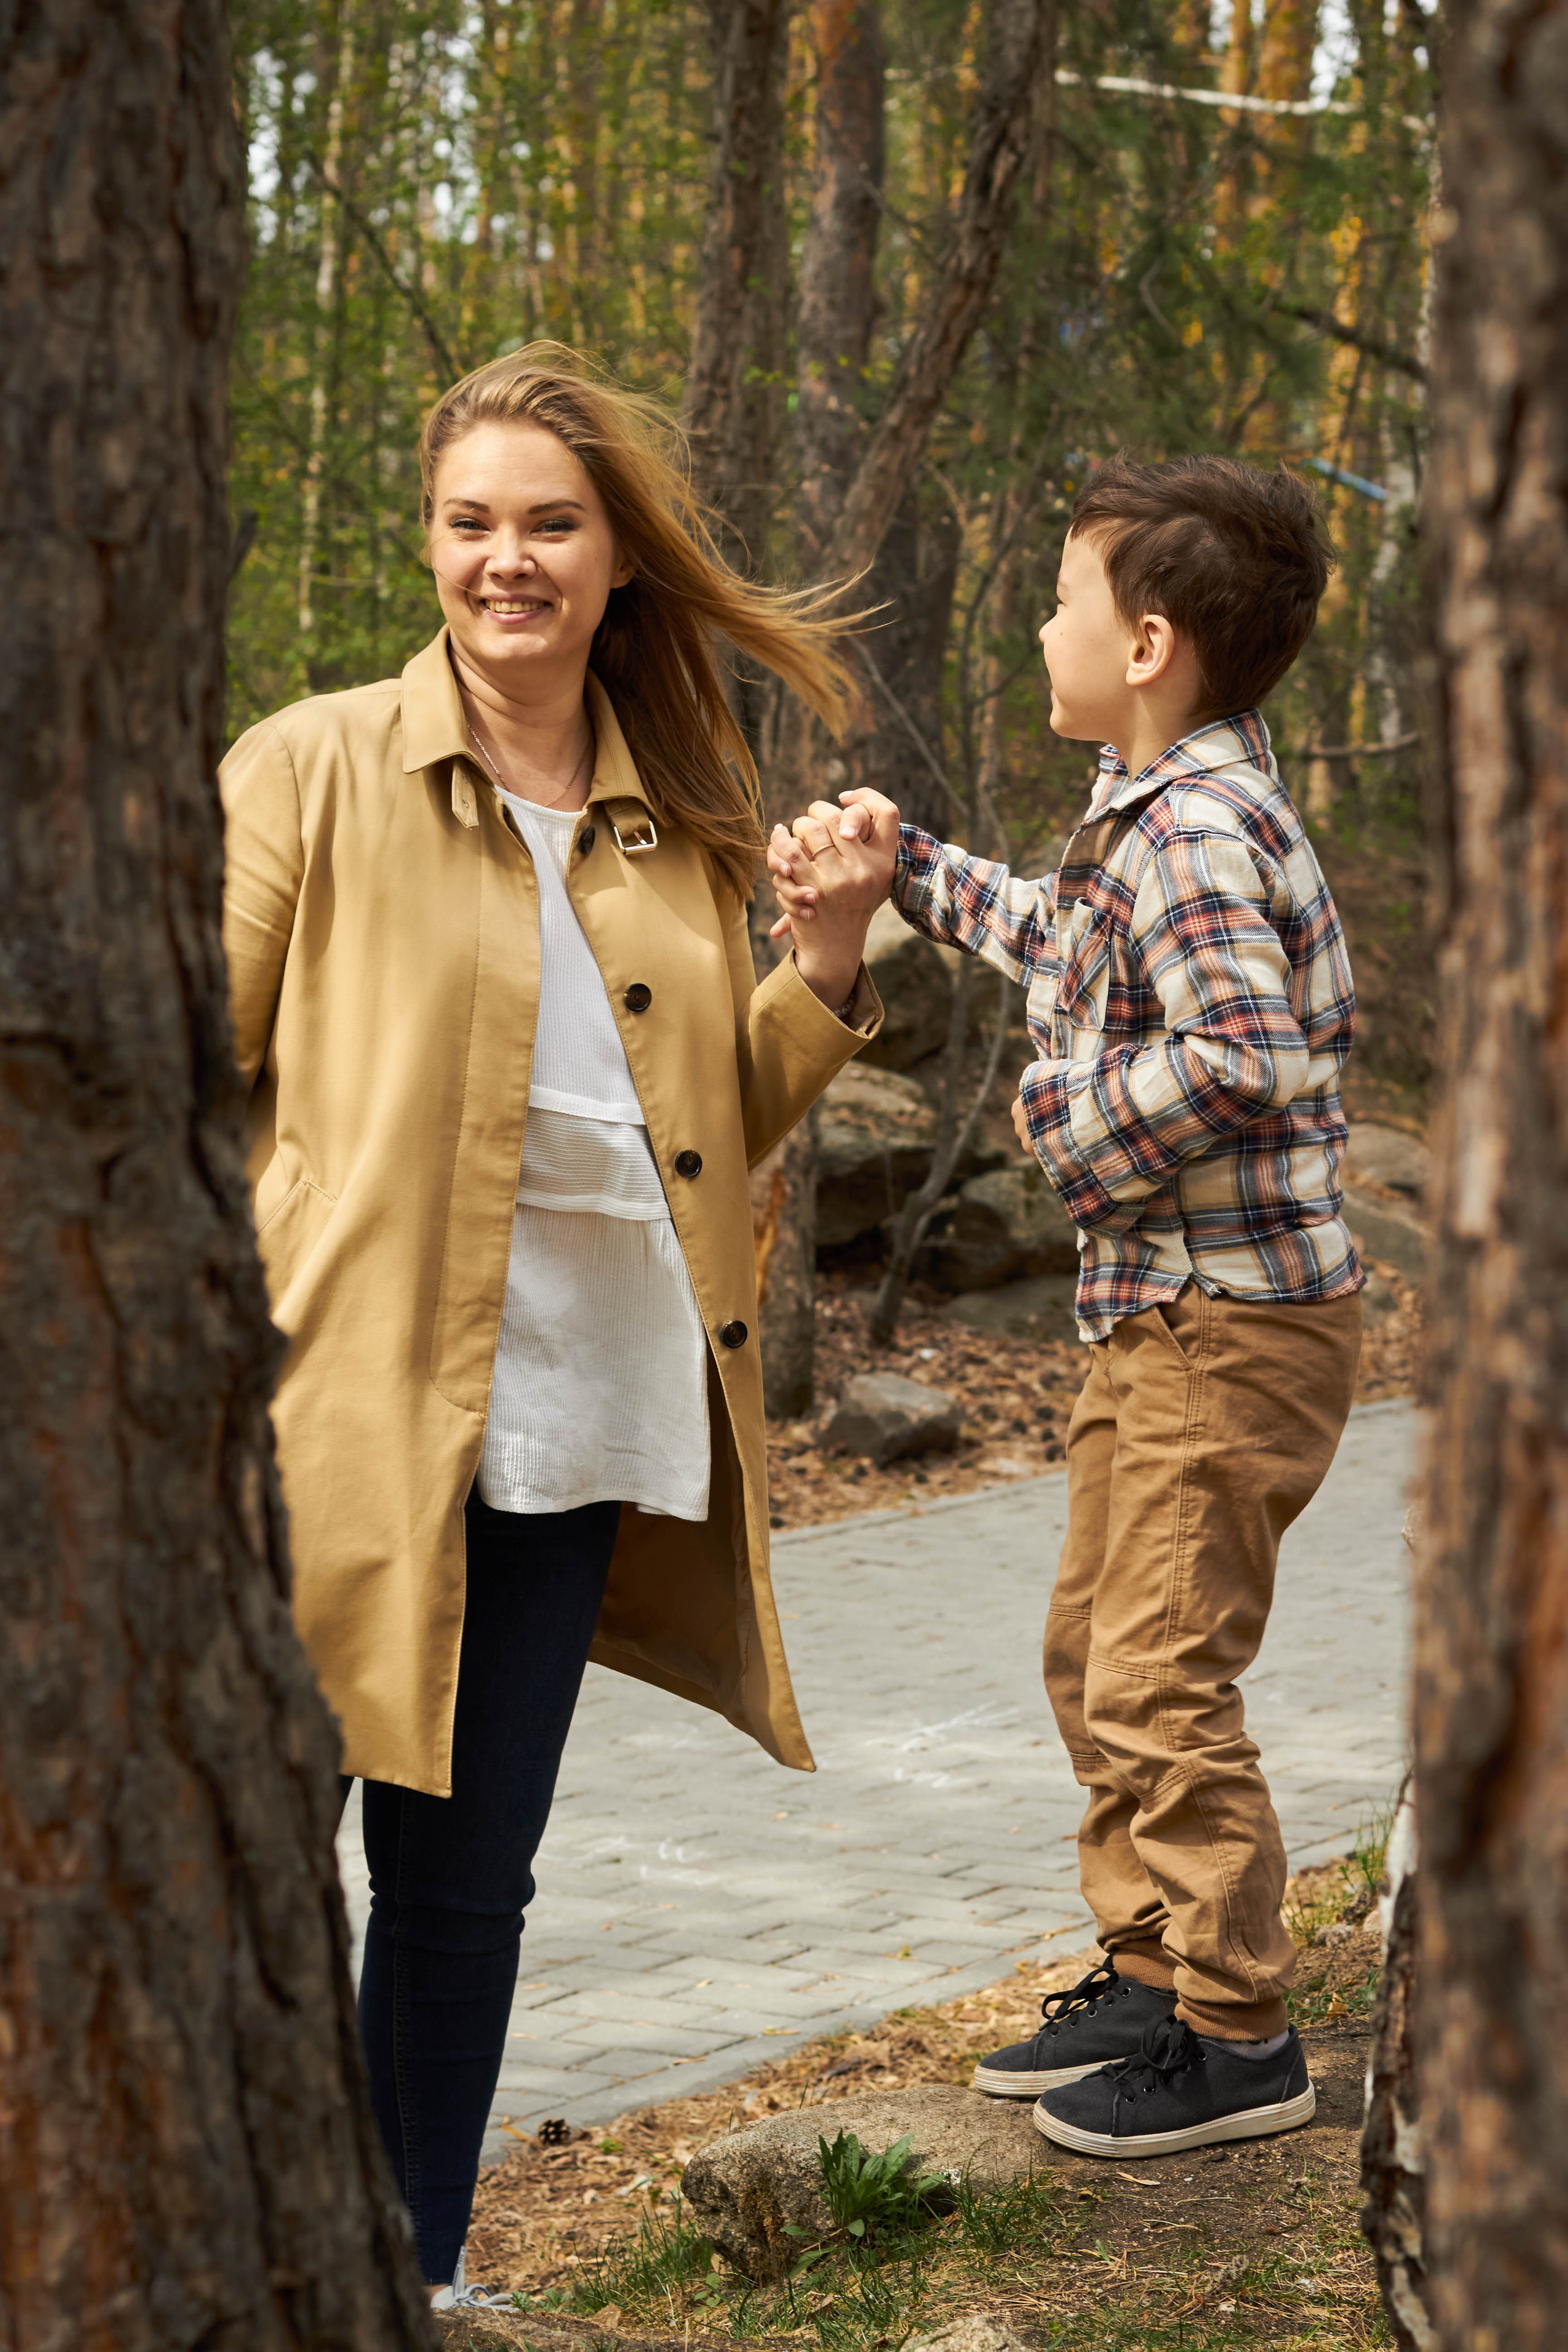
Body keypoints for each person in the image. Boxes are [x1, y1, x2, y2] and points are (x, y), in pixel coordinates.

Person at [219, 345, 892, 2302]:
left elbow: (705, 1134)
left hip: (576, 1418)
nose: (505, 561)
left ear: (616, 562)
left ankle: (403, 2278)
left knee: (460, 1896)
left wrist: (824, 960)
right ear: (429, 545)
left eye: (549, 525)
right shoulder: (313, 765)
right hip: (330, 1418)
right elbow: (180, 1074)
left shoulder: (677, 816)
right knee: (251, 1860)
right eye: (471, 523)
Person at [771, 454, 1361, 2159]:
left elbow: (1241, 1055)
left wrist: (1060, 1122)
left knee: (1161, 1675)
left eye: (1061, 599)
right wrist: (906, 869)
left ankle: (1240, 2031)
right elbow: (1058, 944)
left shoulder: (1193, 828)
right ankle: (1157, 1968)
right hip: (1163, 1316)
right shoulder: (1147, 811)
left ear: (1150, 642)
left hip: (1224, 1325)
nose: (1043, 626)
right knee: (1094, 1653)